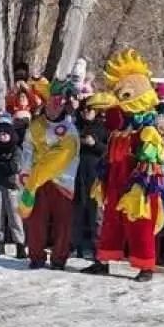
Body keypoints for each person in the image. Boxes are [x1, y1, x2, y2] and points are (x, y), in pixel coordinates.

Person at [84, 50, 164, 283]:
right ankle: (103, 260)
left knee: (140, 227)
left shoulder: (147, 130)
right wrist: (104, 177)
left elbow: (152, 163)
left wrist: (140, 186)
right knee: (110, 223)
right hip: (115, 182)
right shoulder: (120, 129)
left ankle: (146, 266)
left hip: (137, 188)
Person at [18, 79, 80, 270]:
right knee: (36, 221)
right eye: (51, 104)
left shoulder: (70, 130)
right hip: (37, 182)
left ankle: (59, 258)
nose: (54, 109)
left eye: (58, 104)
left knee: (63, 223)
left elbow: (64, 155)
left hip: (62, 182)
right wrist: (27, 175)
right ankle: (36, 256)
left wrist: (41, 167)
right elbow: (27, 151)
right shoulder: (35, 127)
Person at [0, 117, 27, 258]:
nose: (1, 137)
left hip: (11, 185)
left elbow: (15, 167)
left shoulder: (15, 149)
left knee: (14, 216)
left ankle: (20, 245)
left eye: (4, 134)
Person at [72, 101, 108, 259]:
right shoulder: (75, 126)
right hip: (77, 175)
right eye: (84, 110)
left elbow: (107, 150)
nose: (86, 112)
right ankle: (75, 246)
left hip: (95, 175)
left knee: (96, 216)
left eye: (90, 110)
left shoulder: (101, 127)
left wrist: (94, 144)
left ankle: (97, 249)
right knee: (76, 214)